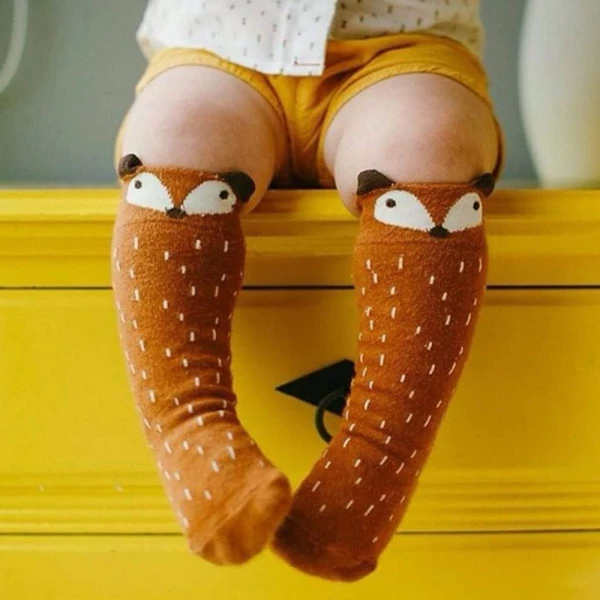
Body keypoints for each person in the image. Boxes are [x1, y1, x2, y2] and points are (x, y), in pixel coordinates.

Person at [111, 0, 502, 582]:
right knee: (172, 141)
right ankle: (187, 426)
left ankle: (379, 453)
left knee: (431, 145)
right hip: (217, 49)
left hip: (404, 49)